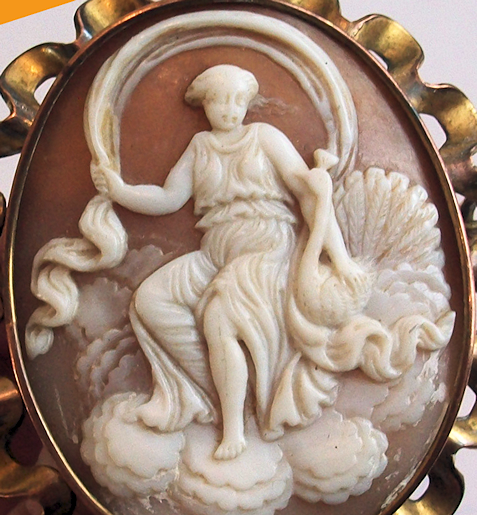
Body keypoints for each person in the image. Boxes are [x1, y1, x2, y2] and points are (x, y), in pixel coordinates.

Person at [87, 64, 370, 460]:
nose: (229, 109)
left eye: (238, 100)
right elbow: (169, 198)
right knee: (151, 300)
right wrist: (120, 191)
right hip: (216, 250)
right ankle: (205, 392)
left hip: (264, 248)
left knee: (219, 319)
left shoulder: (265, 137)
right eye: (219, 101)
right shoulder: (200, 146)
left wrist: (339, 258)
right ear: (204, 105)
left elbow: (311, 195)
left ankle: (234, 430)